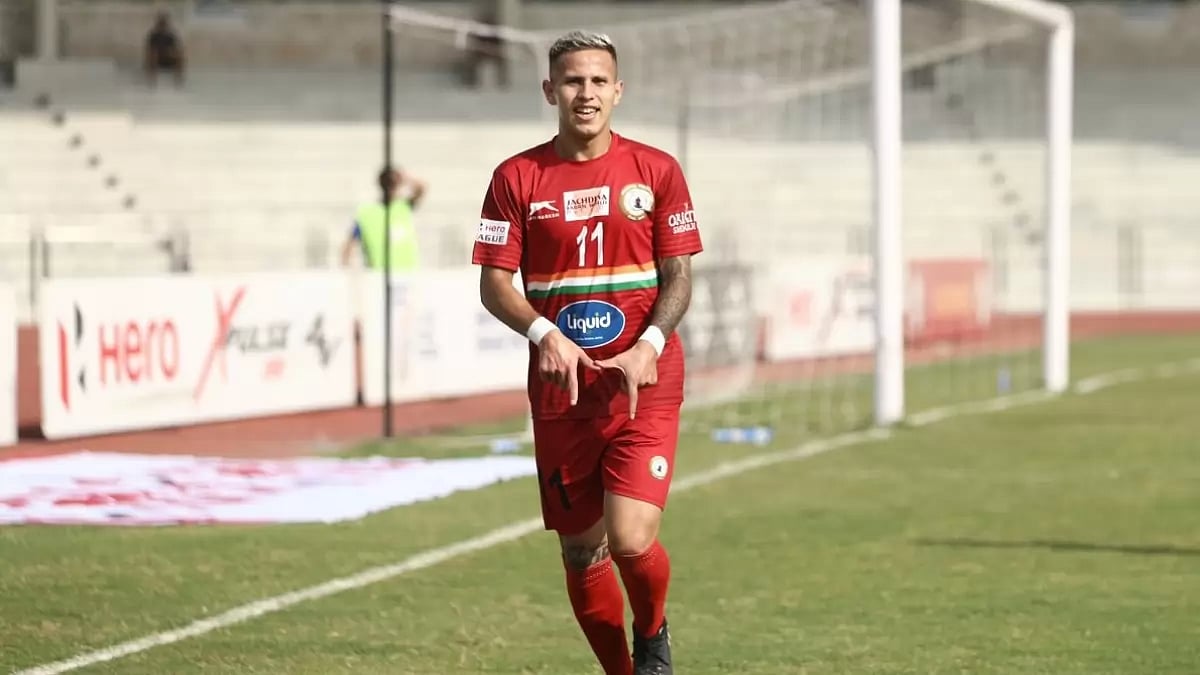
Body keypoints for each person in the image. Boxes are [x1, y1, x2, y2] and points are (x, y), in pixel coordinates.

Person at [471, 30, 702, 675]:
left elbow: (679, 276)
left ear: (618, 91)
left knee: (630, 539)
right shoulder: (515, 177)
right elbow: (494, 285)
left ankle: (652, 634)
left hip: (643, 379)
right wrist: (545, 335)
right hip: (563, 390)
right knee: (581, 551)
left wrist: (650, 344)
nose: (586, 93)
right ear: (550, 91)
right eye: (573, 81)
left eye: (599, 81)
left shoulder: (656, 170)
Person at [341, 166, 427, 271]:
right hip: (379, 274)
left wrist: (404, 177)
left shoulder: (403, 206)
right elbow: (349, 245)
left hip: (406, 272)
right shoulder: (367, 212)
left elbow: (421, 187)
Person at [143, 12, 185, 88]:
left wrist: (171, 53)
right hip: (156, 59)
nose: (163, 24)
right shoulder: (153, 35)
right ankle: (152, 81)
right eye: (161, 22)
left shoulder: (171, 36)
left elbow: (175, 48)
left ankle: (179, 81)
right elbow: (149, 49)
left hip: (167, 58)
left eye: (164, 22)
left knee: (179, 56)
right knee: (153, 55)